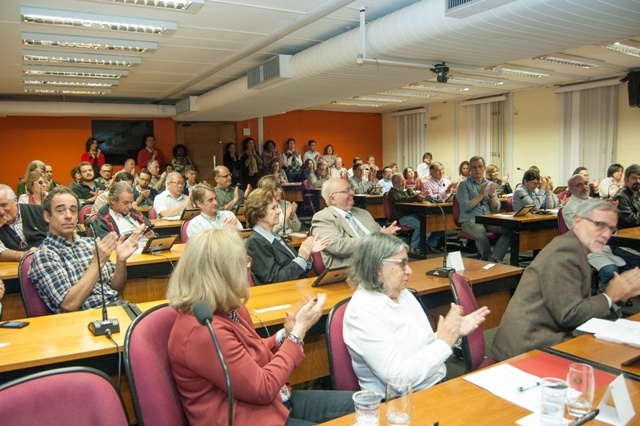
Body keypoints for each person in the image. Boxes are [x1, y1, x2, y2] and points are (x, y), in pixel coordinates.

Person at [166, 227, 354, 425]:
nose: (248, 269)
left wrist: (286, 333)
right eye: (243, 262)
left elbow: (249, 355)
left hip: (275, 404)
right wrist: (297, 334)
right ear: (222, 274)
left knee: (370, 406)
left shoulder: (230, 307)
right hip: (248, 418)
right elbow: (262, 388)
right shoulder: (202, 330)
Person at [491, 199, 640, 360]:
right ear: (577, 222)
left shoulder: (575, 247)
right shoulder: (565, 251)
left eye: (611, 229)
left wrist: (617, 298)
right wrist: (610, 296)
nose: (606, 234)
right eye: (599, 225)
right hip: (528, 348)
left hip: (547, 336)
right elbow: (569, 315)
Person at [343, 233, 490, 394]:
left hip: (434, 386)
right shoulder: (362, 312)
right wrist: (444, 342)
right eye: (402, 264)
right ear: (378, 268)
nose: (409, 270)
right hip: (399, 405)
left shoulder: (402, 293)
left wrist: (451, 333)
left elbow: (420, 346)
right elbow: (398, 382)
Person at [28, 188, 142, 313]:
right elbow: (70, 305)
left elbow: (117, 289)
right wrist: (97, 262)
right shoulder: (44, 255)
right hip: (83, 321)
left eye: (73, 210)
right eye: (60, 211)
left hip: (115, 308)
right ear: (47, 216)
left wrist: (121, 262)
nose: (68, 216)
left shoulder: (89, 244)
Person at [246, 189, 328, 285]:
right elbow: (274, 279)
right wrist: (302, 258)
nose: (279, 211)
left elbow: (295, 269)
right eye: (273, 208)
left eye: (277, 207)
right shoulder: (256, 241)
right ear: (258, 215)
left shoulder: (274, 237)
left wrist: (307, 254)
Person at [311, 178, 399, 268]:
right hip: (352, 268)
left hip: (381, 262)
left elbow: (382, 234)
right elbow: (337, 246)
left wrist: (389, 235)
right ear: (333, 199)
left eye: (351, 189)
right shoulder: (323, 217)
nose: (352, 193)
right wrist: (376, 239)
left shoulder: (363, 213)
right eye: (346, 191)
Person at [562, 174, 626, 293]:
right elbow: (582, 232)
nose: (585, 187)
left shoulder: (596, 202)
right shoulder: (569, 208)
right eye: (579, 185)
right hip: (587, 248)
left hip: (608, 245)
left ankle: (620, 296)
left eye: (586, 183)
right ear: (570, 189)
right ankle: (606, 304)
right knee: (610, 270)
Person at [456, 156, 511, 263]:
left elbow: (496, 208)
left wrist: (491, 196)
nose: (477, 170)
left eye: (480, 167)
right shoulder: (464, 185)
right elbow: (465, 207)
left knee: (510, 230)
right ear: (470, 169)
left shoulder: (490, 184)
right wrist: (481, 195)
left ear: (484, 168)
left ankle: (493, 259)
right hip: (470, 220)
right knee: (481, 233)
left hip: (488, 219)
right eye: (474, 167)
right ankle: (486, 258)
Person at [89, 181, 153, 241]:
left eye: (131, 202)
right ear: (113, 200)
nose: (130, 206)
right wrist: (136, 234)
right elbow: (109, 244)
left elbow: (149, 229)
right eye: (126, 203)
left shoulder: (134, 213)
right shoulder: (101, 220)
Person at [0, 184, 47, 262]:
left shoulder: (39, 212)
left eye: (4, 205)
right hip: (13, 271)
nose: (1, 211)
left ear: (15, 200)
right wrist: (24, 255)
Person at [388, 173, 428, 255]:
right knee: (420, 225)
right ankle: (413, 247)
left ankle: (430, 244)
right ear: (394, 183)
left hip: (413, 214)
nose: (404, 183)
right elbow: (403, 199)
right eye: (401, 182)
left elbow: (413, 198)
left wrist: (420, 197)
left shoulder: (406, 191)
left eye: (404, 181)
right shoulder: (392, 193)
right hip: (403, 217)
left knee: (429, 221)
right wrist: (416, 197)